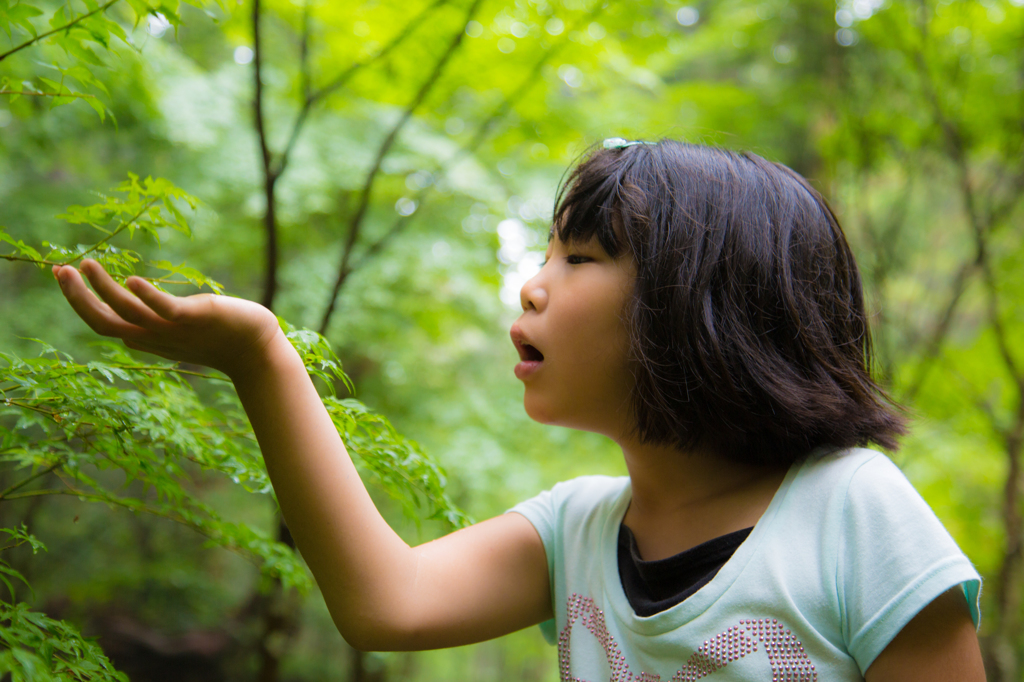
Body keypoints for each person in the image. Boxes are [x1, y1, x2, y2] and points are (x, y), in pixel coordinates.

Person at [53, 139, 985, 681]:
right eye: (545, 255)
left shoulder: (854, 510)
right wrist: (261, 358)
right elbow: (388, 602)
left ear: (704, 304)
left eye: (579, 259)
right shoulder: (574, 530)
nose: (534, 288)